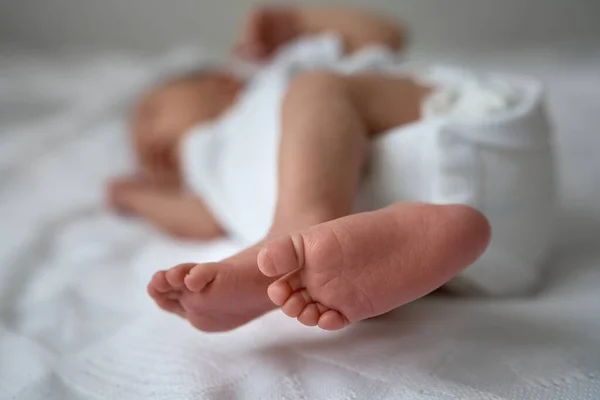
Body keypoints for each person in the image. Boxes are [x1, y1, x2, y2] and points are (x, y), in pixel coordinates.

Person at [108, 5, 553, 332]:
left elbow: (385, 34)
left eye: (151, 113)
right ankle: (423, 254)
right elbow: (197, 217)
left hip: (459, 127)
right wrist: (136, 196)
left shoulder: (280, 74)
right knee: (356, 258)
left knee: (316, 91)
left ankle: (302, 219)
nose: (142, 142)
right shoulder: (212, 174)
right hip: (484, 259)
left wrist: (298, 21)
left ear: (222, 83)